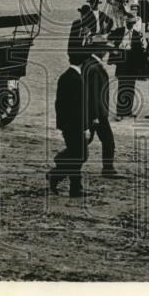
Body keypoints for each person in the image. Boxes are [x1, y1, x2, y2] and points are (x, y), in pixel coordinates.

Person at [82, 41, 125, 179]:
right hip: (96, 113)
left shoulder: (90, 64)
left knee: (90, 142)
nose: (106, 53)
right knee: (104, 141)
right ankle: (108, 169)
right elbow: (93, 94)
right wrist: (95, 116)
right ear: (99, 50)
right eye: (105, 50)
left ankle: (108, 168)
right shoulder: (94, 67)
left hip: (96, 113)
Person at [47, 61, 89, 198]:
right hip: (74, 124)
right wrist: (84, 127)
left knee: (77, 154)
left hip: (67, 123)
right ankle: (65, 180)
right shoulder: (76, 79)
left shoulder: (66, 76)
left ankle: (70, 184)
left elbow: (59, 102)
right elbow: (78, 107)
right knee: (79, 155)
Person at [110, 13, 144, 120]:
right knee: (122, 87)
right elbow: (109, 39)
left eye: (132, 23)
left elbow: (139, 52)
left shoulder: (137, 34)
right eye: (129, 23)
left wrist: (139, 69)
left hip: (132, 63)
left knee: (130, 87)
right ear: (126, 23)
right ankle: (120, 112)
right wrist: (114, 50)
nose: (130, 25)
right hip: (122, 62)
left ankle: (128, 110)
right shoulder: (119, 31)